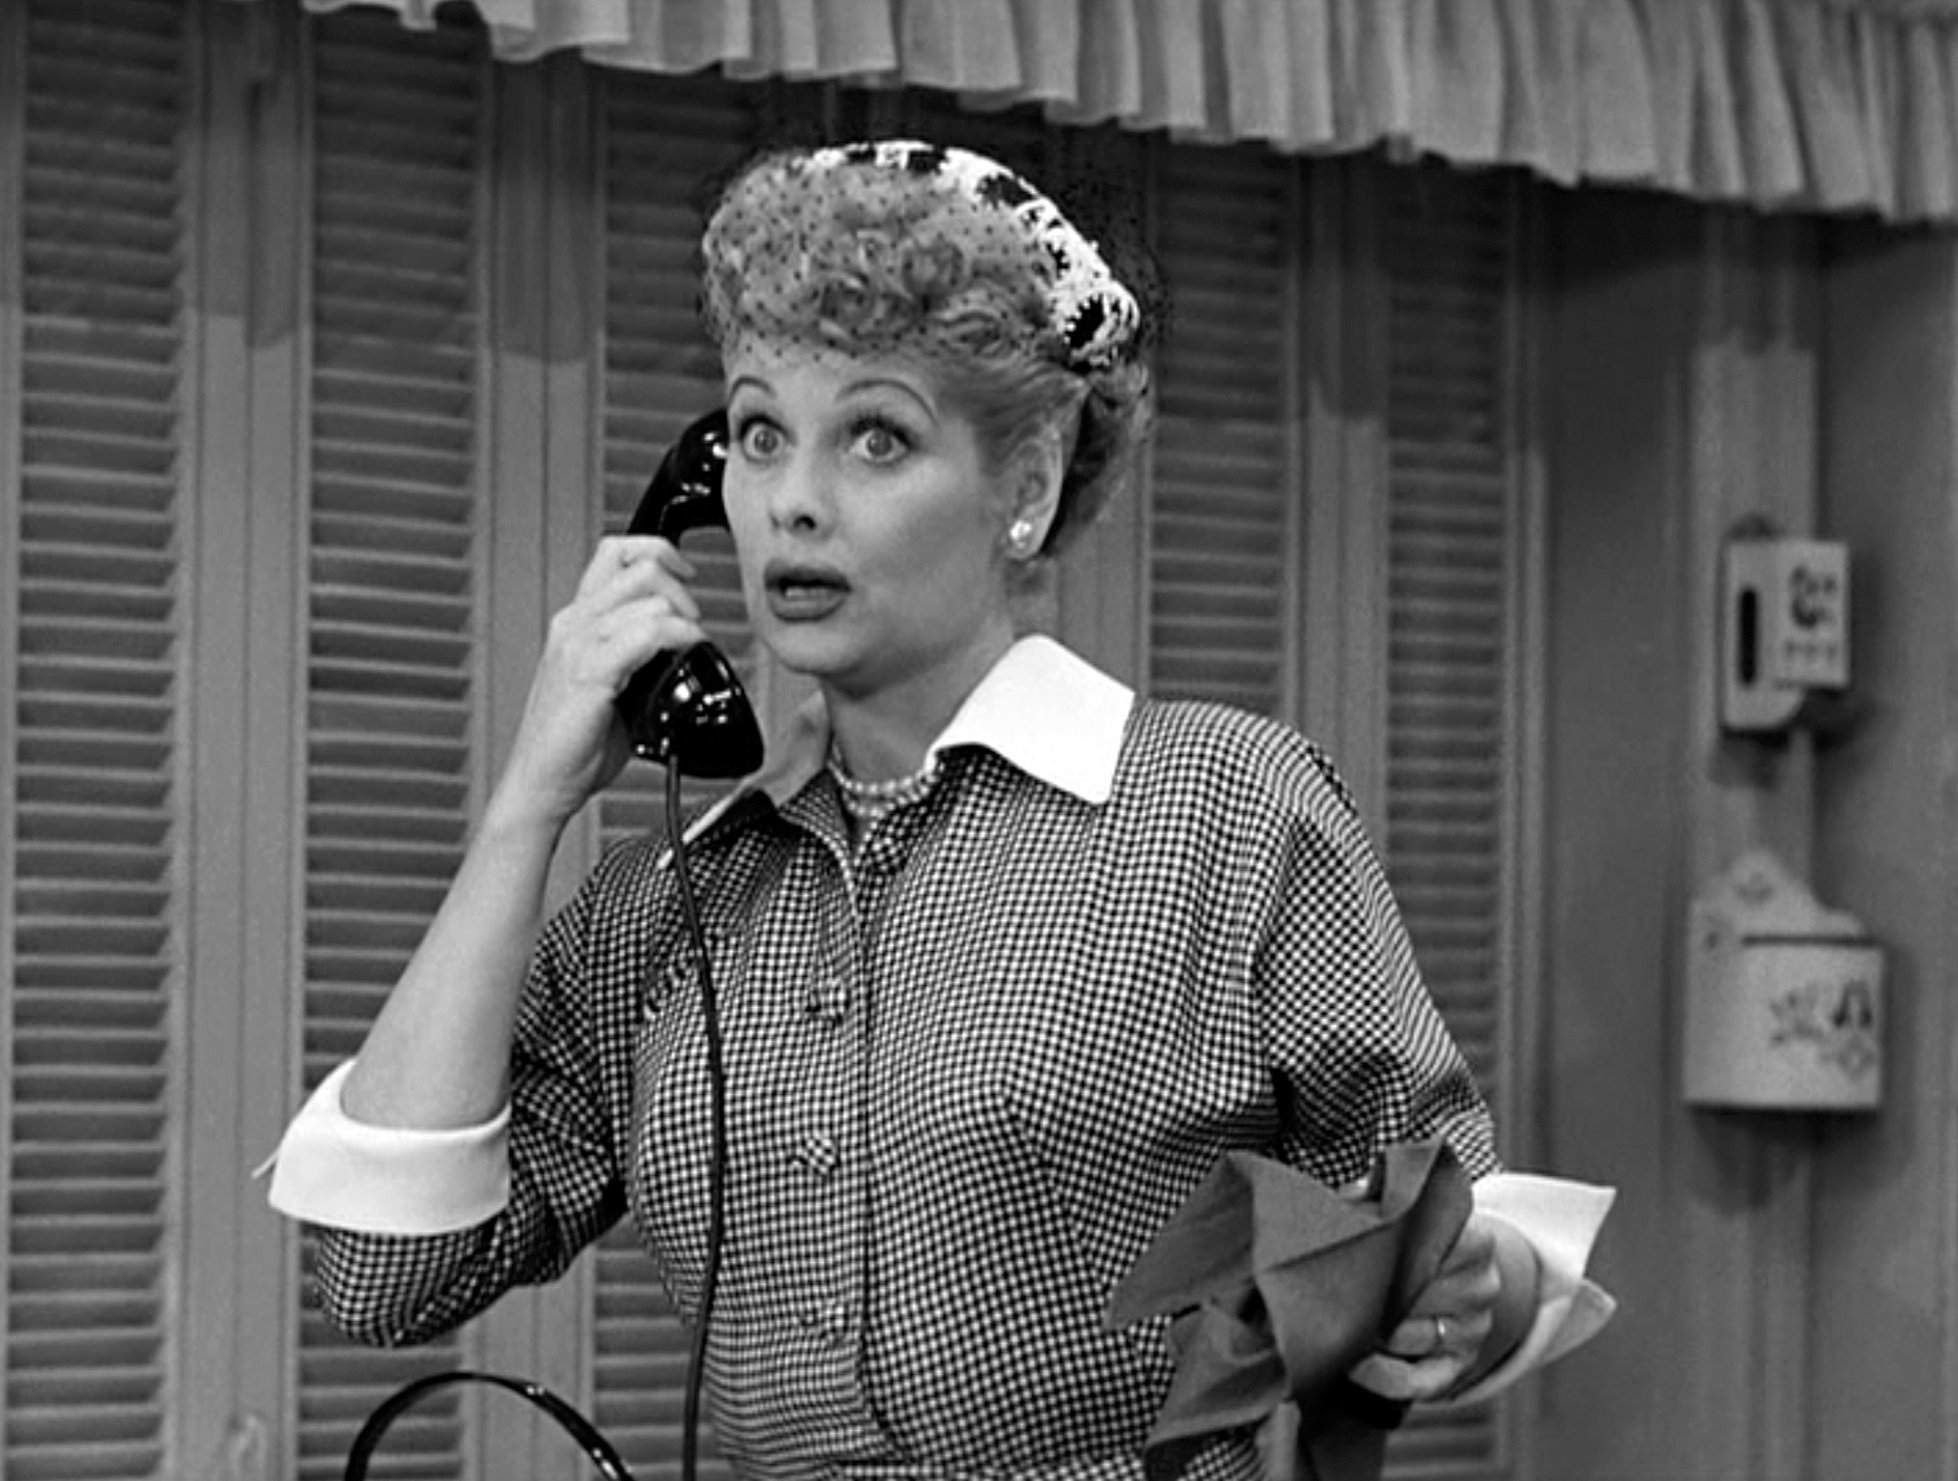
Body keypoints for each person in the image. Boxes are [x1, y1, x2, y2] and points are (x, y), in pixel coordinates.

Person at [267, 138, 1613, 1481]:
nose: (793, 502)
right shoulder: (666, 902)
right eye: (758, 434)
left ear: (1025, 486)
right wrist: (529, 801)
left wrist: (1462, 1283)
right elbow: (387, 1274)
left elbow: (1453, 1230)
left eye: (876, 437)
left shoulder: (1223, 809)